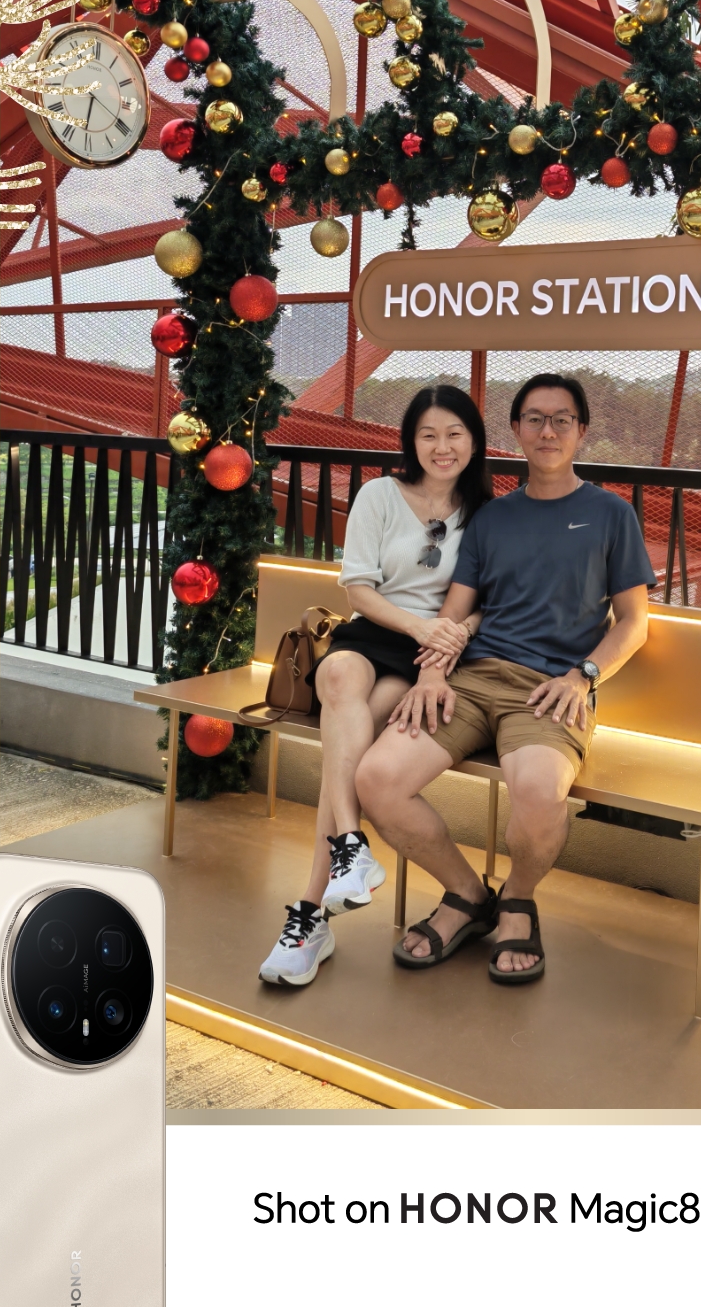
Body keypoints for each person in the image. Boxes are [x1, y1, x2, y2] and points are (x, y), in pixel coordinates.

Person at [355, 373, 653, 986]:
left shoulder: (611, 514)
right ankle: (467, 895)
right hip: (470, 677)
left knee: (541, 793)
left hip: (549, 689)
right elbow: (455, 611)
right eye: (535, 419)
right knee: (377, 779)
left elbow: (634, 623)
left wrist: (583, 676)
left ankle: (517, 899)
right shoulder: (491, 518)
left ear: (581, 431)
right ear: (515, 429)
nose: (548, 431)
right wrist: (432, 674)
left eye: (562, 419)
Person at [258, 384, 491, 986]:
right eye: (428, 435)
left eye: (454, 434)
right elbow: (358, 588)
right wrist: (419, 625)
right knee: (337, 672)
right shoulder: (380, 494)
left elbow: (488, 602)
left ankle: (313, 910)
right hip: (380, 630)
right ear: (411, 441)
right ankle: (351, 849)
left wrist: (450, 636)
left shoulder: (486, 512)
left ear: (474, 441)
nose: (442, 447)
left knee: (349, 747)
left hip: (434, 657)